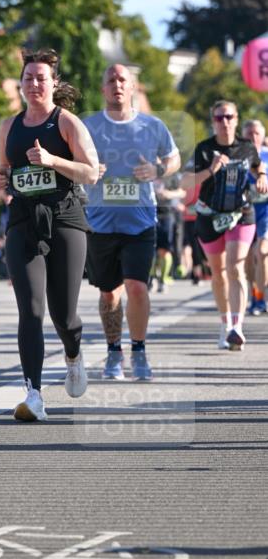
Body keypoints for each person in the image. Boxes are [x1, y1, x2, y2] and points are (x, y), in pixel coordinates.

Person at [0, 49, 98, 421]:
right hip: (23, 221)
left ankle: (73, 354)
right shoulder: (8, 127)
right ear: (20, 84)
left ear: (54, 83)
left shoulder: (66, 122)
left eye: (41, 78)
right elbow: (4, 172)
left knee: (63, 315)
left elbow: (91, 172)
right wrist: (0, 180)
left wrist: (53, 161)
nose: (34, 84)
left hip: (65, 219)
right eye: (28, 78)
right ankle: (34, 394)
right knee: (31, 310)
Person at [83, 64, 181, 381]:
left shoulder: (152, 126)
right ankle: (114, 353)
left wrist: (158, 170)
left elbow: (174, 158)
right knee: (109, 294)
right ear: (103, 89)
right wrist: (87, 170)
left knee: (137, 287)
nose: (117, 84)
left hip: (140, 222)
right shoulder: (88, 127)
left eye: (122, 79)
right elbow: (70, 163)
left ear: (133, 87)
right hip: (100, 223)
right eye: (111, 80)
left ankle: (139, 351)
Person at [181, 102, 266, 349]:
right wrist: (211, 170)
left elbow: (258, 167)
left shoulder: (246, 147)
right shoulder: (204, 149)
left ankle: (237, 327)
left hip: (241, 214)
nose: (225, 122)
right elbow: (185, 182)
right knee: (218, 274)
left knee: (235, 267)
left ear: (236, 119)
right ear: (213, 121)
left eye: (229, 117)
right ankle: (225, 323)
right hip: (209, 216)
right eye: (219, 118)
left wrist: (261, 177)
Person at [242, 119, 268, 316]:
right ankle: (254, 294)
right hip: (244, 211)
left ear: (263, 136)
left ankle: (262, 298)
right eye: (249, 133)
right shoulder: (237, 158)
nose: (253, 137)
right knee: (247, 257)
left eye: (257, 133)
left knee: (262, 251)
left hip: (265, 211)